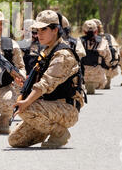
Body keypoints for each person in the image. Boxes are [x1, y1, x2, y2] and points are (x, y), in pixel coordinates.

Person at [8, 10, 86, 149]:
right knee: (15, 140)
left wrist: (26, 101)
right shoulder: (47, 52)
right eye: (37, 30)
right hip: (49, 106)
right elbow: (40, 81)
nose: (39, 34)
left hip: (66, 108)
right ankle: (47, 129)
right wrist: (25, 84)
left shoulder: (62, 54)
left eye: (44, 29)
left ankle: (59, 133)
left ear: (55, 30)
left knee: (25, 108)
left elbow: (45, 84)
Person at [80, 20, 112, 94]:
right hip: (98, 74)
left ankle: (86, 84)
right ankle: (95, 84)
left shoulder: (79, 41)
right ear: (96, 30)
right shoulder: (102, 41)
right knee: (103, 81)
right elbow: (108, 58)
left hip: (83, 73)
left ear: (84, 31)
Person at [92, 19, 120, 89]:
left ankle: (99, 81)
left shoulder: (87, 39)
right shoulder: (109, 37)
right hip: (110, 67)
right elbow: (116, 50)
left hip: (94, 69)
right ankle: (107, 77)